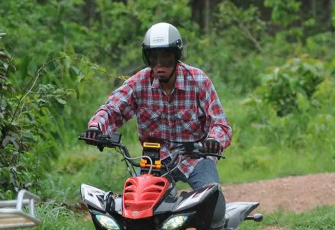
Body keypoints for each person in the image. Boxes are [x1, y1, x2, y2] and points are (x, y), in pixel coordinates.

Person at [83, 22, 232, 192]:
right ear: (147, 58)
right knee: (139, 200)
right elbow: (112, 109)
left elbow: (220, 124)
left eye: (166, 58)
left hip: (196, 158)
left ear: (176, 56)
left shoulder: (199, 81)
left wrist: (214, 140)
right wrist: (96, 128)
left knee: (211, 196)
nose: (160, 65)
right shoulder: (138, 83)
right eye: (154, 58)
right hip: (154, 160)